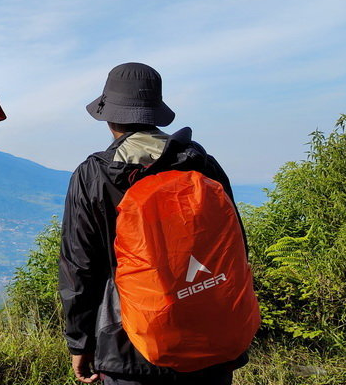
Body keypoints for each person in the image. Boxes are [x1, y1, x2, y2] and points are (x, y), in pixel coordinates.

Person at [58, 62, 248, 385]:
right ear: (155, 114)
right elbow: (236, 249)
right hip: (209, 345)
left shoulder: (94, 176)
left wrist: (81, 343)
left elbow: (80, 269)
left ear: (111, 118)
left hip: (129, 349)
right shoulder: (202, 165)